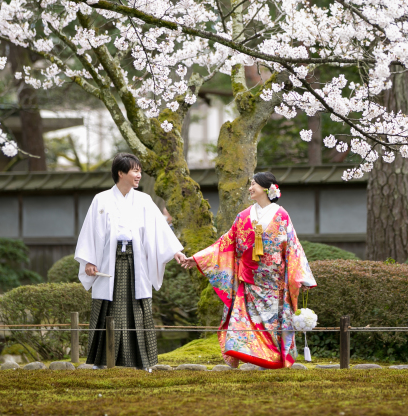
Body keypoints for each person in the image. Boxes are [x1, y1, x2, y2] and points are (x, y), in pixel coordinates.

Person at [181, 172, 316, 369]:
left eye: (254, 184)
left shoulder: (281, 215)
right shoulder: (243, 216)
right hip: (248, 281)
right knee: (244, 321)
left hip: (274, 284)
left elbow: (293, 247)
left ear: (267, 188)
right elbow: (225, 243)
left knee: (272, 326)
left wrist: (301, 277)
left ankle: (273, 361)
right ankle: (251, 356)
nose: (250, 188)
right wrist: (197, 259)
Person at [75, 153, 187, 369]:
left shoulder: (144, 200)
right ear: (121, 173)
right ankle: (103, 362)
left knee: (137, 306)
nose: (139, 175)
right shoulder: (101, 199)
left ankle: (140, 362)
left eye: (139, 171)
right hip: (109, 262)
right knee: (109, 307)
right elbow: (90, 231)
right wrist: (89, 261)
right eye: (135, 170)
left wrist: (175, 251)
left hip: (136, 263)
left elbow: (160, 230)